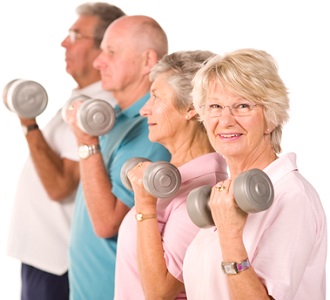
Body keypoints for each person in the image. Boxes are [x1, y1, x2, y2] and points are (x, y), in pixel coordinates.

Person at [182, 48, 327, 299]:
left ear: (270, 118)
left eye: (242, 106)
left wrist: (229, 236)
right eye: (215, 106)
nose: (226, 120)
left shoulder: (292, 197)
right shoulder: (223, 197)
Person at [6, 3, 125, 300]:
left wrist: (28, 122)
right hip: (41, 258)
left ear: (105, 48)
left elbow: (59, 186)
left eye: (75, 35)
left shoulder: (99, 110)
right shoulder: (81, 99)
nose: (63, 42)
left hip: (58, 264)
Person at [66, 15, 171, 300]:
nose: (99, 62)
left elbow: (106, 223)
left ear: (148, 61)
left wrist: (86, 140)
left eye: (111, 52)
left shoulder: (153, 130)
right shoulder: (116, 120)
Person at [114, 50, 228, 299]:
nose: (144, 110)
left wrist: (144, 205)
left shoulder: (203, 194)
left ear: (191, 108)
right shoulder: (171, 181)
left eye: (155, 97)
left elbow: (160, 291)